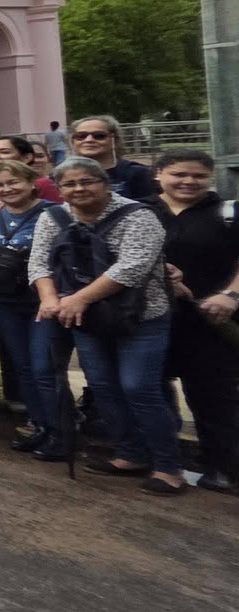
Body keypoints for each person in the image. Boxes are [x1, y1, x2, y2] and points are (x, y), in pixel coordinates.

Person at [33, 158, 180, 492]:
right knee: (103, 385)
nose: (79, 189)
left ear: (105, 183)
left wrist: (78, 299)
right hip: (87, 319)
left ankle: (168, 466)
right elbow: (39, 263)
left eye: (87, 181)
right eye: (69, 184)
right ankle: (130, 452)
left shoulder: (139, 215)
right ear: (59, 189)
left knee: (138, 386)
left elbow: (133, 266)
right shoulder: (52, 217)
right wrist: (48, 298)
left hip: (140, 316)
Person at [152, 147, 239, 492]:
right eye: (179, 174)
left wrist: (230, 295)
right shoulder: (139, 210)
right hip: (151, 318)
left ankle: (222, 465)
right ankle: (165, 456)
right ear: (159, 173)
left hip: (209, 317)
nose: (188, 181)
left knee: (212, 394)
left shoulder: (227, 213)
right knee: (153, 388)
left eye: (199, 176)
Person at [0, 162, 66, 460]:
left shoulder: (55, 214)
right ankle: (39, 425)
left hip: (44, 303)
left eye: (13, 182)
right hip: (6, 302)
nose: (7, 189)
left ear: (31, 182)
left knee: (44, 368)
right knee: (23, 368)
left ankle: (61, 432)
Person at [70, 115, 158, 202]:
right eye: (81, 136)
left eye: (99, 136)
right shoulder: (65, 174)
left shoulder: (136, 173)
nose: (89, 140)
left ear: (114, 140)